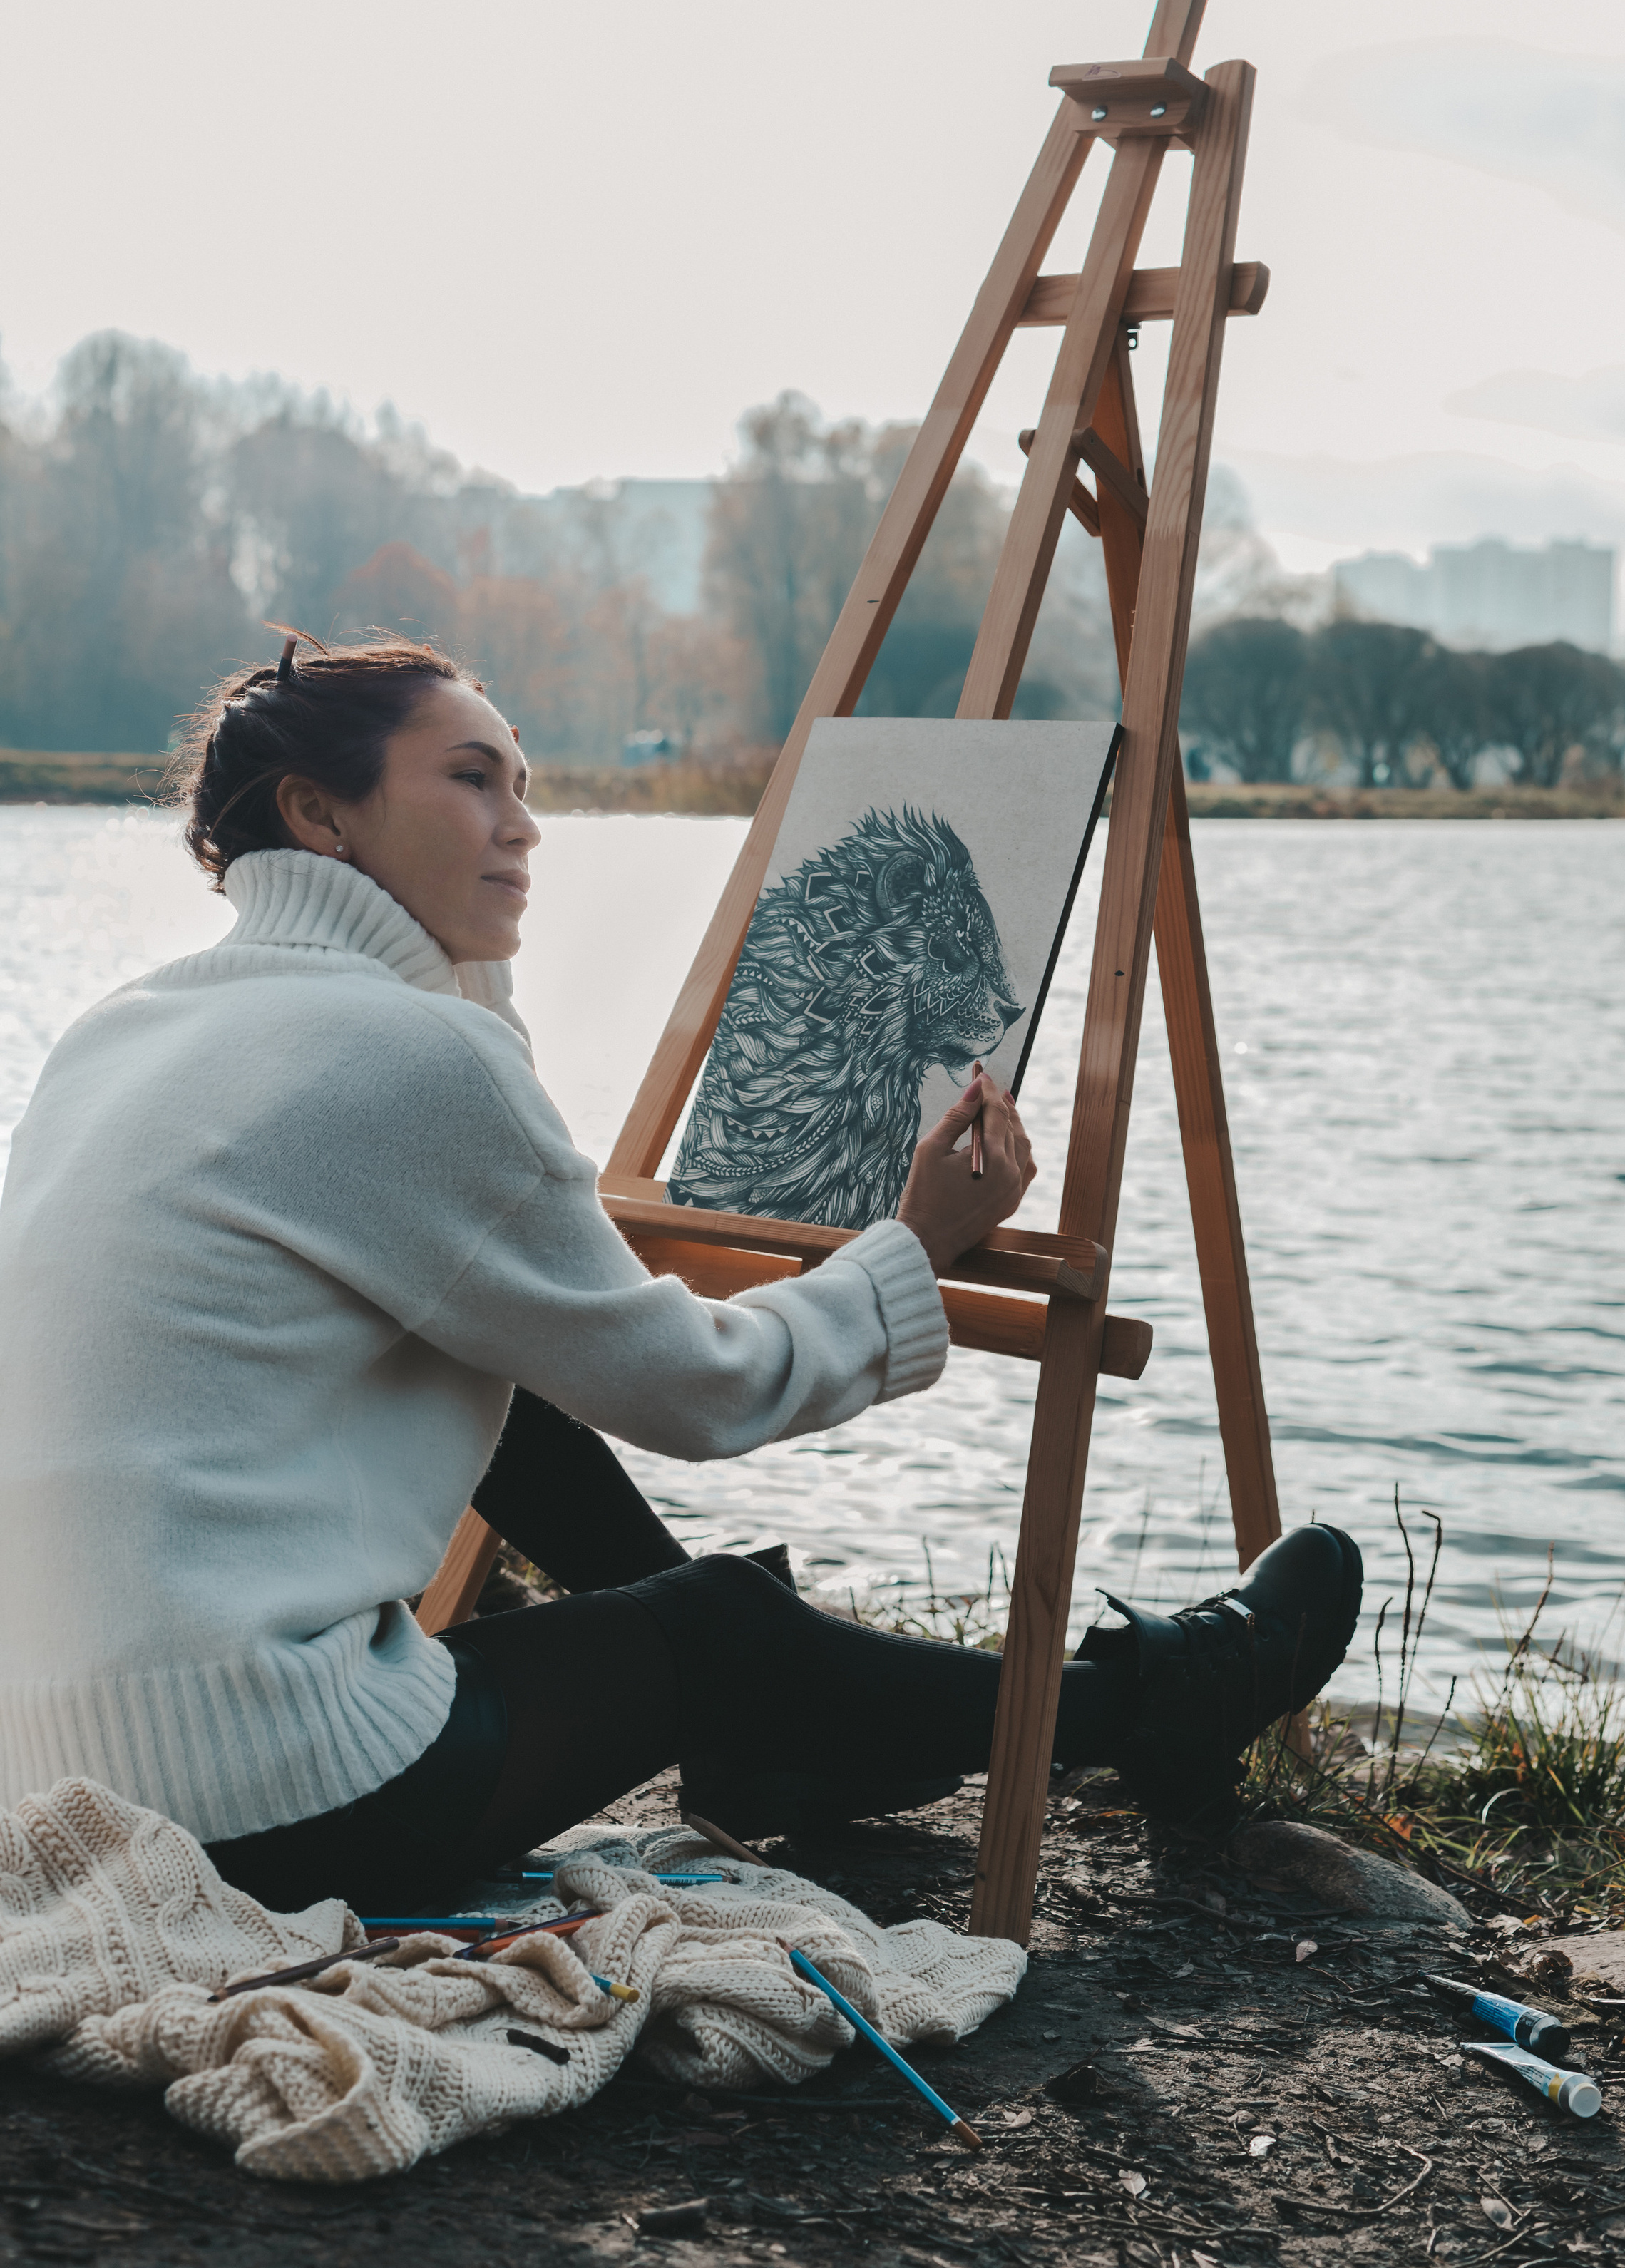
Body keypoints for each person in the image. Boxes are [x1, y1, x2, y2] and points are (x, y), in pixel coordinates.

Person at [0, 634, 1362, 1913]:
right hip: (258, 1795)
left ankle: (774, 1740)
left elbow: (508, 1335)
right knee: (719, 1632)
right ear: (317, 814)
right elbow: (702, 1392)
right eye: (471, 781)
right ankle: (1153, 1702)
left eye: (524, 785)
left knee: (502, 1391)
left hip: (55, 1771)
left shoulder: (127, 1028)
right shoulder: (405, 1055)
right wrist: (916, 1245)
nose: (524, 826)